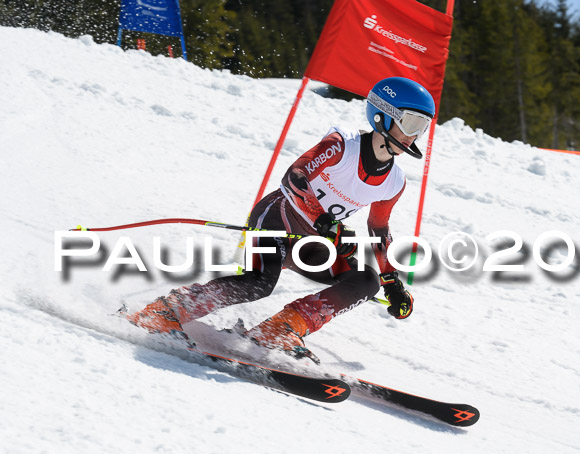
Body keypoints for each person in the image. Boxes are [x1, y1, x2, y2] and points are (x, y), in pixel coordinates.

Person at [126, 76, 435, 360]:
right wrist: (324, 219)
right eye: (410, 123)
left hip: (314, 244)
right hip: (278, 219)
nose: (413, 135)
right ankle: (165, 311)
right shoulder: (343, 144)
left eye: (421, 127)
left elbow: (378, 229)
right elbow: (295, 177)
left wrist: (391, 280)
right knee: (258, 283)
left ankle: (280, 330)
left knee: (365, 279)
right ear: (382, 114)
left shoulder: (394, 181)